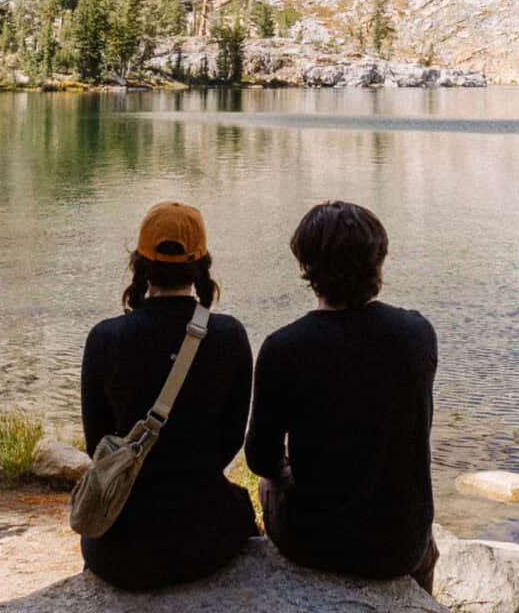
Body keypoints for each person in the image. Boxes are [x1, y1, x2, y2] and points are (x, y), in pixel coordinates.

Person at [245, 200, 439, 584]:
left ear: (306, 268)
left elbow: (260, 459)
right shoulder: (417, 332)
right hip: (400, 545)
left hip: (315, 543)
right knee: (425, 549)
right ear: (377, 262)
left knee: (269, 485)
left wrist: (287, 469)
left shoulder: (283, 347)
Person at [76, 199, 258, 591]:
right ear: (202, 263)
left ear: (139, 264)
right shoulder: (230, 335)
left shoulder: (104, 338)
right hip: (207, 541)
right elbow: (231, 440)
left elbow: (99, 445)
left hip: (118, 549)